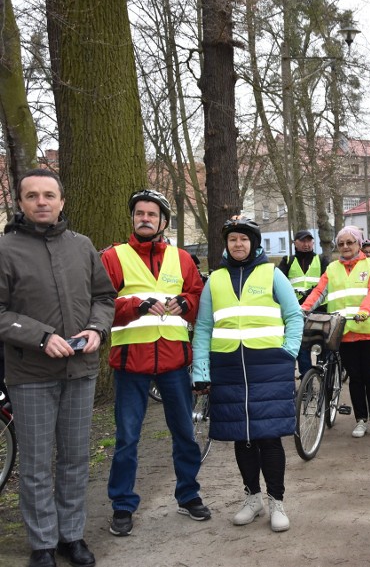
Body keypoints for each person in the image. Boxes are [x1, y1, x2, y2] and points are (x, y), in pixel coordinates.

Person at [0, 169, 116, 567]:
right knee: (34, 464)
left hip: (80, 370)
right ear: (20, 203)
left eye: (49, 195)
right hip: (30, 375)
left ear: (62, 201)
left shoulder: (83, 246)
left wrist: (99, 328)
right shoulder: (4, 250)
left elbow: (105, 297)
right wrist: (41, 335)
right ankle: (43, 543)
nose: (41, 202)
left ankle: (72, 536)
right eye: (32, 196)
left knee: (74, 458)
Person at [101, 189, 209, 538]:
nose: (144, 218)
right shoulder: (113, 258)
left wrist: (185, 303)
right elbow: (99, 306)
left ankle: (188, 494)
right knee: (127, 439)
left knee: (184, 433)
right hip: (130, 362)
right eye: (139, 214)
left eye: (151, 214)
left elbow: (196, 296)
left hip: (175, 361)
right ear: (133, 218)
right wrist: (135, 306)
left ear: (163, 221)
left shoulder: (183, 258)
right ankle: (122, 505)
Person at [192, 217, 303, 532]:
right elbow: (203, 327)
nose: (238, 244)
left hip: (269, 366)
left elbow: (294, 315)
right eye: (232, 240)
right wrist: (201, 370)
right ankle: (252, 497)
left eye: (243, 239)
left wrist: (289, 351)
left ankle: (276, 502)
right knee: (242, 437)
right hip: (228, 367)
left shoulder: (272, 274)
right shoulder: (215, 280)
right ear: (226, 245)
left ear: (254, 243)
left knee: (269, 436)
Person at [302, 226, 370, 438]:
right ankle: (360, 420)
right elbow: (319, 291)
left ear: (358, 244)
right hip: (344, 331)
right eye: (341, 244)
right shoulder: (332, 268)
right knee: (355, 378)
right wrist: (303, 309)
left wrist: (364, 311)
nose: (345, 247)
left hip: (369, 330)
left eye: (350, 242)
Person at [278, 230, 328, 376]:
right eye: (302, 241)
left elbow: (328, 282)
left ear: (313, 242)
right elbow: (279, 283)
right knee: (301, 346)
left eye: (309, 241)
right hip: (296, 310)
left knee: (321, 344)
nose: (306, 244)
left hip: (320, 309)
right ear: (295, 243)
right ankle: (307, 379)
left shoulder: (322, 260)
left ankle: (323, 374)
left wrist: (313, 292)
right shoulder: (287, 260)